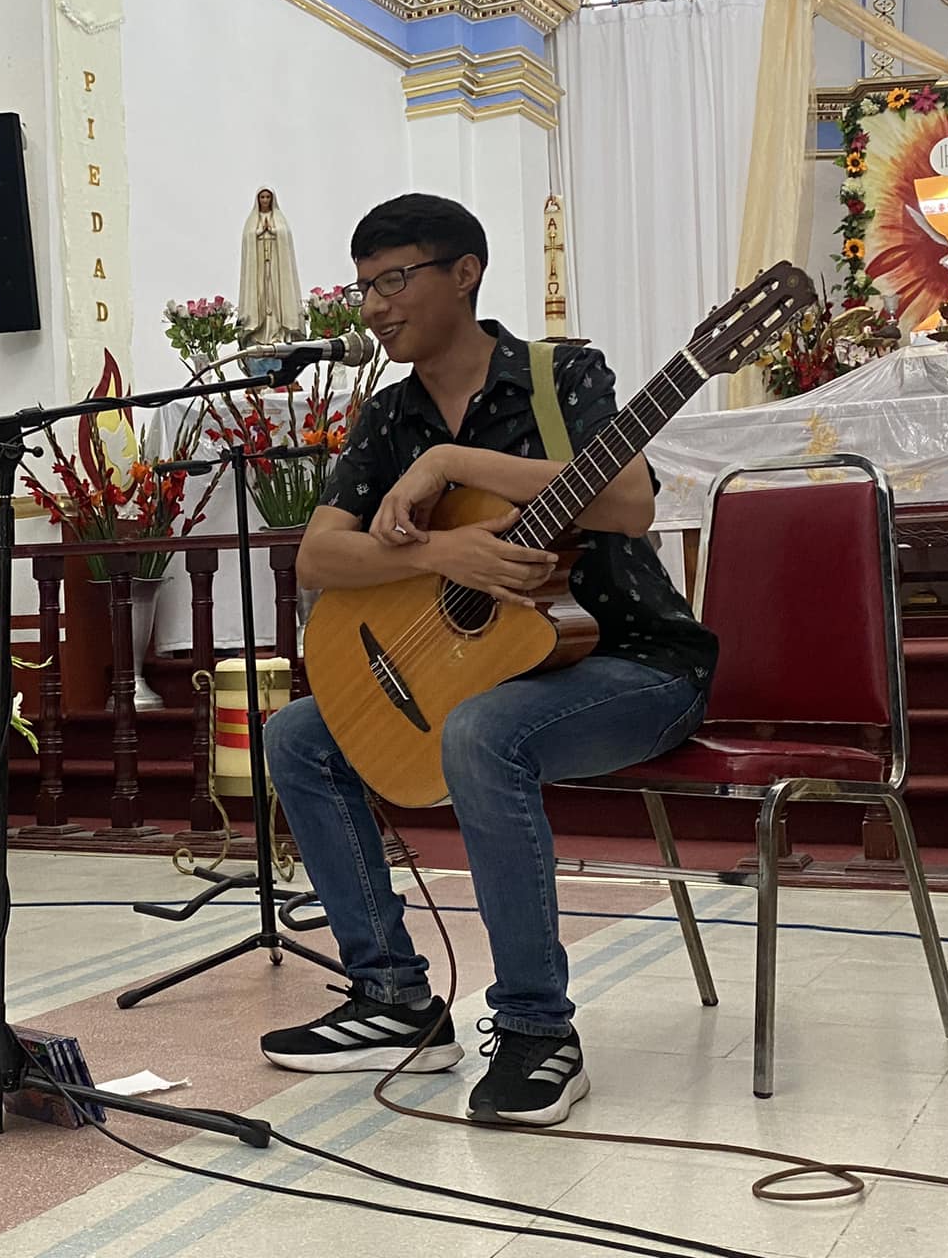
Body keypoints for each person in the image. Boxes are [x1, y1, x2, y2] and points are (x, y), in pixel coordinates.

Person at [258, 193, 716, 1126]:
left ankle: (539, 1030)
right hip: (501, 669)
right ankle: (394, 1001)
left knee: (480, 734)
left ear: (464, 273)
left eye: (395, 279)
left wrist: (455, 465)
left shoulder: (560, 375)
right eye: (364, 287)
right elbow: (318, 557)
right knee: (299, 735)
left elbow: (626, 501)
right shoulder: (387, 419)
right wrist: (439, 553)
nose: (376, 306)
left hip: (635, 664)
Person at [237, 186, 304, 347]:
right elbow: (248, 237)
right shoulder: (252, 220)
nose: (265, 200)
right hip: (259, 265)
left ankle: (277, 333)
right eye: (262, 197)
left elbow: (284, 235)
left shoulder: (279, 218)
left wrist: (273, 231)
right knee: (261, 294)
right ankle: (260, 334)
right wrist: (259, 232)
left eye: (268, 197)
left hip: (276, 264)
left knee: (275, 296)